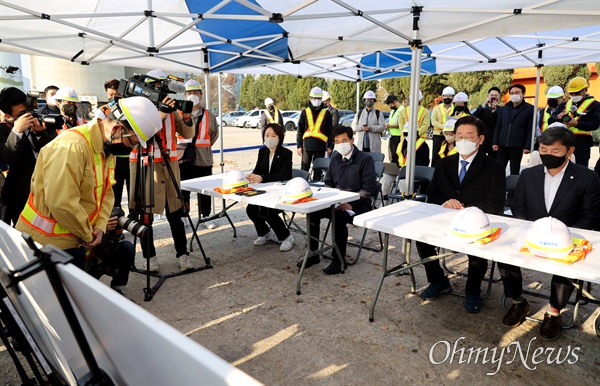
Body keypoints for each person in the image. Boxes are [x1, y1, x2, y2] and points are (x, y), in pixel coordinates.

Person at [15, 96, 161, 269]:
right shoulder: (72, 147)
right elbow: (61, 202)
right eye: (133, 142)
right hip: (45, 245)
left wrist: (99, 226)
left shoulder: (106, 149)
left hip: (76, 240)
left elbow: (106, 191)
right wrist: (88, 234)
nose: (133, 149)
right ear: (116, 129)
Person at [498, 126, 600, 340]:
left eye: (555, 151)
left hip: (568, 237)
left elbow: (589, 215)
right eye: (543, 150)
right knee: (503, 255)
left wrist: (566, 237)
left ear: (569, 151)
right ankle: (518, 302)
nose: (548, 155)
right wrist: (529, 230)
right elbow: (519, 207)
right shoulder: (528, 174)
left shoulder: (587, 178)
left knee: (568, 264)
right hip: (532, 233)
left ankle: (553, 312)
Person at [415, 115, 505, 313]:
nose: (463, 141)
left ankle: (473, 290)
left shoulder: (494, 168)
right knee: (421, 240)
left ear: (480, 139)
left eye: (469, 136)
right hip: (445, 218)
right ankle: (438, 280)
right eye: (459, 136)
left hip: (476, 222)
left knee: (477, 251)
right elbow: (433, 192)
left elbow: (496, 202)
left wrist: (466, 209)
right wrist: (445, 202)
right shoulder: (444, 164)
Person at [129, 69, 195, 273]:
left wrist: (186, 117)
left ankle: (182, 255)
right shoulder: (137, 108)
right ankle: (150, 258)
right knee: (145, 215)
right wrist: (162, 113)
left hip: (170, 167)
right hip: (146, 167)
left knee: (175, 213)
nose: (161, 90)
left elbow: (186, 133)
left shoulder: (172, 110)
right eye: (157, 86)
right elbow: (141, 133)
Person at [298, 125, 378, 275]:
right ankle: (313, 253)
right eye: (337, 141)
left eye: (344, 140)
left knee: (339, 218)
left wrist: (350, 204)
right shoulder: (335, 158)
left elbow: (369, 188)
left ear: (352, 140)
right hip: (336, 202)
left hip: (359, 204)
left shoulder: (365, 159)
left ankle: (339, 260)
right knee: (312, 212)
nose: (341, 144)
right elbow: (328, 183)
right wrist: (330, 200)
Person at [0, 87, 57, 225]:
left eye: (28, 111)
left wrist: (39, 133)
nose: (27, 116)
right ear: (8, 116)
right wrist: (17, 131)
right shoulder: (3, 131)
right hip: (17, 196)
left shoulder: (35, 122)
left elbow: (52, 152)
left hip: (43, 193)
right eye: (21, 114)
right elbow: (7, 157)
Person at [246, 123, 294, 252]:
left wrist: (263, 178)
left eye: (273, 135)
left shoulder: (286, 153)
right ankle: (265, 233)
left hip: (279, 191)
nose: (269, 138)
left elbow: (285, 174)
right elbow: (258, 169)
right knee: (251, 209)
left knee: (268, 211)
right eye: (267, 135)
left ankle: (286, 237)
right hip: (264, 190)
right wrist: (252, 175)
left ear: (280, 137)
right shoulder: (262, 151)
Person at [178, 79, 219, 229]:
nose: (192, 95)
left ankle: (206, 216)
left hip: (203, 158)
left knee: (205, 189)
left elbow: (214, 134)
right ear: (185, 96)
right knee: (183, 190)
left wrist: (203, 147)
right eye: (189, 92)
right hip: (183, 159)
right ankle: (184, 216)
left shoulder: (209, 115)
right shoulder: (178, 114)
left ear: (201, 96)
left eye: (195, 92)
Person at [95, 79, 129, 208]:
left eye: (117, 95)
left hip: (132, 158)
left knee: (135, 197)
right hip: (113, 159)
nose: (114, 97)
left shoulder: (129, 109)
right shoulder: (102, 111)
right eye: (111, 95)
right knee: (115, 195)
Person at [85, 208, 135, 294]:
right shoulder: (76, 215)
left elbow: (115, 241)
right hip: (83, 266)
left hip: (100, 260)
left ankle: (117, 289)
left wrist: (116, 233)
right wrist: (100, 229)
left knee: (126, 248)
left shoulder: (99, 210)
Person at [557, 76, 600, 167]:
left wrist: (576, 123)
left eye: (577, 93)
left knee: (580, 171)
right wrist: (558, 118)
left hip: (582, 144)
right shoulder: (564, 104)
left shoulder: (595, 105)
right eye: (571, 93)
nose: (574, 96)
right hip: (564, 141)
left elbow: (595, 124)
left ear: (585, 90)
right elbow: (551, 120)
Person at [493, 83, 534, 175]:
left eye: (517, 92)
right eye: (512, 93)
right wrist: (495, 142)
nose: (514, 95)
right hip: (502, 145)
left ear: (523, 94)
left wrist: (527, 146)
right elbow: (498, 126)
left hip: (517, 146)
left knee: (514, 171)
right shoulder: (505, 108)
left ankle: (513, 189)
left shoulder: (530, 109)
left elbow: (530, 129)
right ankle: (498, 188)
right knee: (498, 170)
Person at [296, 87, 333, 180]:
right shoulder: (305, 112)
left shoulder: (327, 113)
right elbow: (300, 130)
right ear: (310, 98)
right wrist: (299, 146)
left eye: (319, 98)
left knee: (318, 171)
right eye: (314, 98)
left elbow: (330, 131)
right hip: (307, 146)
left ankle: (317, 189)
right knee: (304, 170)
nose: (316, 100)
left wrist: (330, 146)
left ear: (322, 99)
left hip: (320, 146)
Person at [473, 87, 502, 159]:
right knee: (479, 160)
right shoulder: (483, 108)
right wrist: (484, 104)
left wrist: (494, 109)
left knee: (494, 161)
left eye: (496, 95)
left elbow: (499, 122)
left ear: (499, 97)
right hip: (482, 139)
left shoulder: (501, 110)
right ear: (488, 96)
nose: (493, 97)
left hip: (494, 141)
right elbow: (474, 116)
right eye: (492, 95)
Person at [431, 86, 456, 166]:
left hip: (451, 136)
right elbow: (433, 121)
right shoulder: (436, 108)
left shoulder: (455, 109)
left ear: (453, 97)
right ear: (442, 96)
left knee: (448, 155)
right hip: (438, 135)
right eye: (445, 96)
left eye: (449, 96)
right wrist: (444, 127)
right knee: (436, 156)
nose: (447, 98)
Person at [384, 94, 404, 164]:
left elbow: (401, 124)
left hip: (398, 136)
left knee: (396, 155)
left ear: (395, 102)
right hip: (392, 135)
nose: (390, 107)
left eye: (391, 105)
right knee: (391, 154)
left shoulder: (402, 110)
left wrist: (390, 126)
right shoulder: (393, 111)